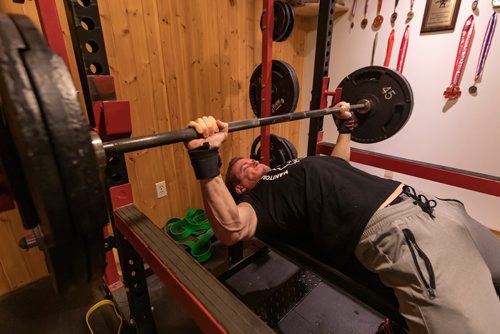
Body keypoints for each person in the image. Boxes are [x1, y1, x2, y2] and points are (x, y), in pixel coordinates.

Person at [185, 102, 500, 333]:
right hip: (408, 237)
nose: (255, 163)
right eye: (245, 168)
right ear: (240, 187)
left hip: (438, 209)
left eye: (253, 159)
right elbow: (233, 229)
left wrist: (345, 128)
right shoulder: (261, 200)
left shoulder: (294, 166)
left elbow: (339, 164)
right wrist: (206, 158)